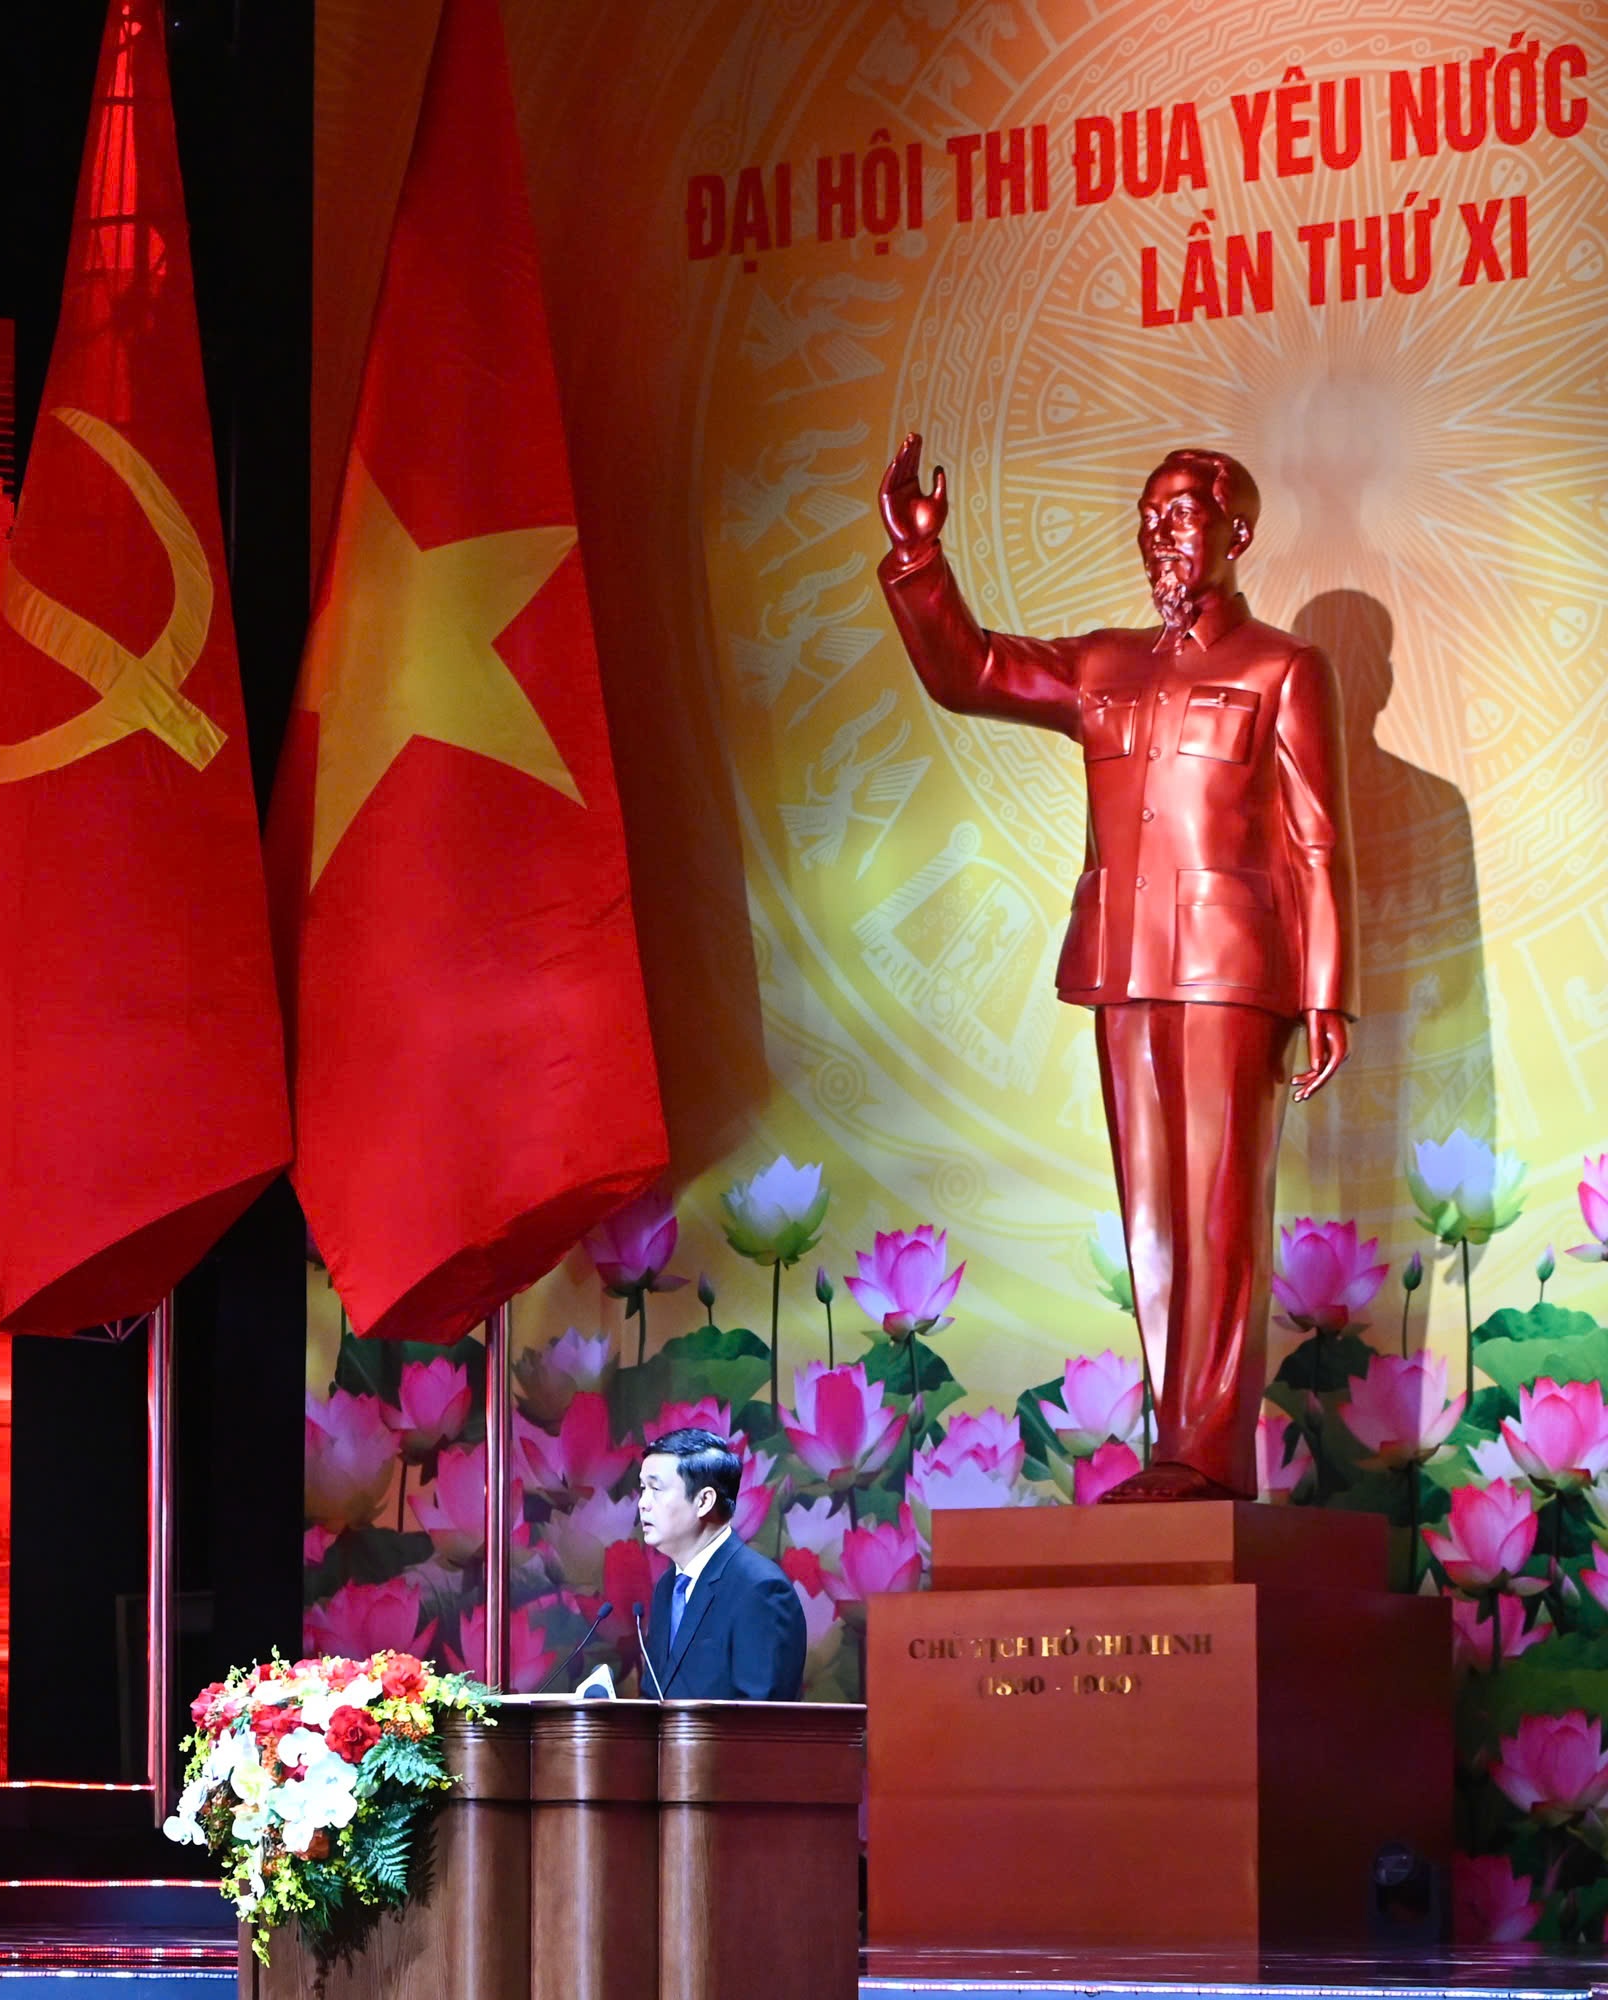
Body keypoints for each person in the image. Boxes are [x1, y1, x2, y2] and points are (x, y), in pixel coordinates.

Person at [874, 437, 1354, 1500]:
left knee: (1220, 1214)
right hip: (1121, 962)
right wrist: (919, 561)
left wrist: (1326, 989)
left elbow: (1317, 841)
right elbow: (970, 671)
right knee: (1153, 1220)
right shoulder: (1103, 664)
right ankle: (1178, 1449)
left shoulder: (1282, 668)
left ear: (1236, 533)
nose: (1158, 536)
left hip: (1233, 971)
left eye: (1179, 517)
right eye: (1147, 518)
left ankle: (1206, 1455)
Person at [580, 1427, 804, 1701]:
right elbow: (656, 1699)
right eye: (643, 1488)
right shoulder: (668, 1586)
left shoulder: (760, 1589)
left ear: (704, 1501)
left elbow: (761, 1718)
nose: (643, 1503)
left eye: (656, 1489)